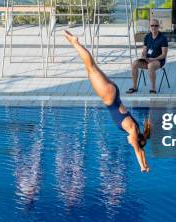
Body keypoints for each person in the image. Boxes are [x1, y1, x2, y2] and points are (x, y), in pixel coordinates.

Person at [62, 30, 151, 172]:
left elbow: (142, 151)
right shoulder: (133, 133)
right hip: (109, 96)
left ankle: (75, 43)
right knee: (90, 67)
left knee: (91, 67)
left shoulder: (137, 129)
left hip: (113, 93)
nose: (130, 143)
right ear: (137, 140)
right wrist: (142, 166)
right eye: (134, 143)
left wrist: (147, 164)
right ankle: (75, 42)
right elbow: (138, 151)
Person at [127, 18, 168, 94]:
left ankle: (153, 88)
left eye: (156, 25)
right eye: (152, 25)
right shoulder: (147, 37)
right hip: (148, 59)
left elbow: (164, 55)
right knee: (134, 64)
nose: (154, 27)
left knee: (151, 66)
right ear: (149, 27)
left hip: (158, 60)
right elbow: (144, 50)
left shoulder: (163, 38)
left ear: (158, 27)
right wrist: (143, 56)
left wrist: (153, 59)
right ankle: (134, 87)